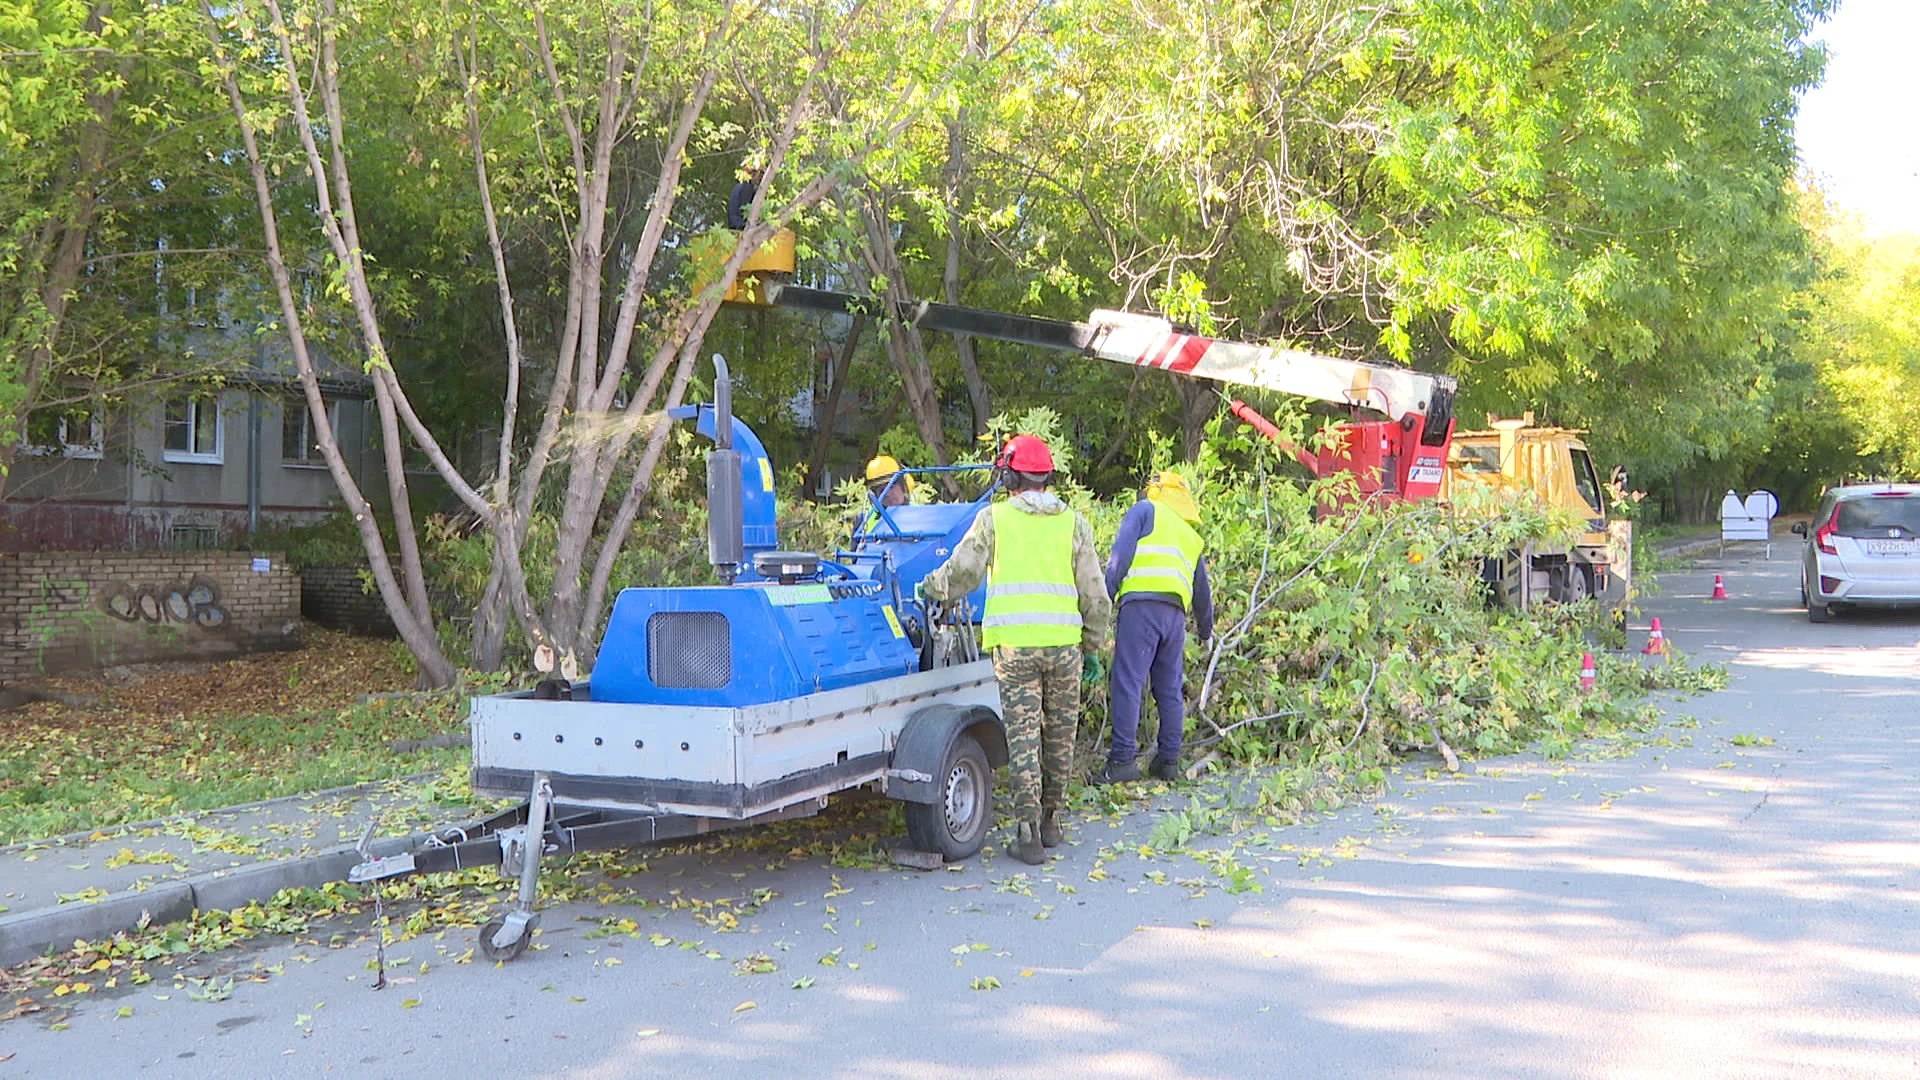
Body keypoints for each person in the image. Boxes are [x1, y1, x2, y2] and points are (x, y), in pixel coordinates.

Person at [921, 434, 1110, 865]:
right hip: (1065, 648)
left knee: (1023, 738)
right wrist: (1093, 646)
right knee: (1060, 737)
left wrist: (932, 587)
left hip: (1016, 649)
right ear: (1046, 477)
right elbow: (1095, 596)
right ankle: (1051, 821)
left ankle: (1027, 834)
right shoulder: (1074, 523)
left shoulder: (994, 519)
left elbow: (963, 571)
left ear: (1009, 475)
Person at [1091, 470, 1213, 784]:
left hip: (1141, 608)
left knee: (1128, 683)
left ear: (1155, 492)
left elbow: (1120, 557)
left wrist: (1104, 600)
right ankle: (1169, 762)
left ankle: (1122, 762)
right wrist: (1205, 631)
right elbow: (1202, 590)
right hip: (1174, 618)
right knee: (1169, 690)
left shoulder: (1145, 511)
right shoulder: (1188, 534)